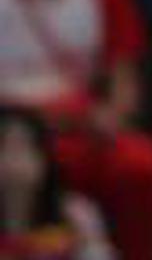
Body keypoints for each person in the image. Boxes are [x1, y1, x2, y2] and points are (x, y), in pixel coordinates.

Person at [0, 0, 152, 259]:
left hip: (76, 132)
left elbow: (124, 73)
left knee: (145, 166)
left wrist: (115, 115)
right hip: (9, 129)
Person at [0, 106, 114, 260]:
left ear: (45, 157)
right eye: (3, 148)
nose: (12, 160)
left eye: (23, 147)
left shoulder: (76, 214)